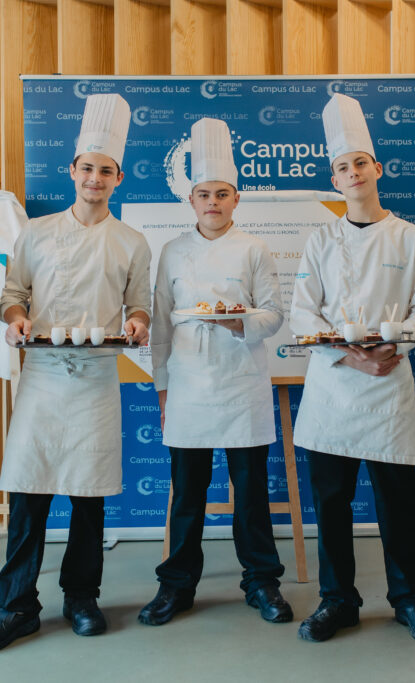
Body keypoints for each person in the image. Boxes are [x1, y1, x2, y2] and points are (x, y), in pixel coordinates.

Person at [0, 93, 152, 654]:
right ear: (72, 171)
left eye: (106, 171)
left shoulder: (132, 242)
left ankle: (81, 597)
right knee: (27, 494)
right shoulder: (36, 233)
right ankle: (16, 606)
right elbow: (13, 295)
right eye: (87, 168)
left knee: (88, 496)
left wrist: (139, 325)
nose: (95, 178)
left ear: (118, 178)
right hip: (44, 377)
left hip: (96, 378)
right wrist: (18, 318)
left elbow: (139, 305)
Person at [289, 93, 415, 644]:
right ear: (334, 179)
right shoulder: (320, 241)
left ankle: (410, 600)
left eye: (359, 163)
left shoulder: (411, 237)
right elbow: (302, 313)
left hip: (388, 383)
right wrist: (347, 353)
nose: (352, 173)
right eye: (341, 166)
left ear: (377, 169)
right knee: (331, 504)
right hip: (333, 386)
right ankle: (338, 601)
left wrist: (392, 347)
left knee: (398, 503)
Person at [137, 118, 291, 627]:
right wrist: (161, 386)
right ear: (192, 200)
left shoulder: (254, 249)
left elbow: (273, 316)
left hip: (241, 382)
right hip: (187, 386)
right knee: (188, 495)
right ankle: (176, 586)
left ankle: (263, 582)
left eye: (222, 194)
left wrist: (235, 319)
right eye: (204, 194)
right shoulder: (173, 251)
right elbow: (161, 322)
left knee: (250, 495)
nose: (213, 202)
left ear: (235, 199)